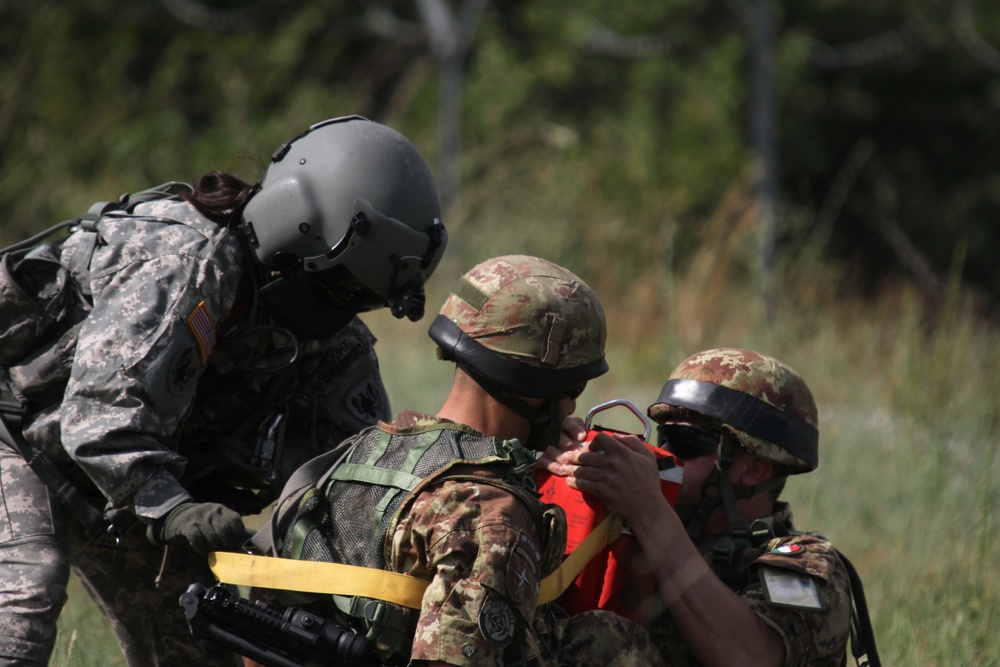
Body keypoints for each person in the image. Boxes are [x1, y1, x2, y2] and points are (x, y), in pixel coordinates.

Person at [0, 115, 447, 666]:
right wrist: (171, 508)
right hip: (17, 433)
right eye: (336, 283)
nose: (339, 307)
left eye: (360, 296)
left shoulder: (332, 342)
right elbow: (101, 415)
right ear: (292, 227)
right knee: (24, 598)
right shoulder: (183, 261)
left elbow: (363, 470)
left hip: (115, 484)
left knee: (203, 638)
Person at [243, 254, 662, 666]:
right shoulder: (488, 513)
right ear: (543, 386)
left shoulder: (358, 453)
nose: (573, 407)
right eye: (575, 387)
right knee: (610, 642)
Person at [551, 348, 857, 667]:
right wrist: (542, 462)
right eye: (663, 435)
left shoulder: (808, 566)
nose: (665, 453)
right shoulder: (635, 530)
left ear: (753, 469)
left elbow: (752, 658)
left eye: (686, 440)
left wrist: (650, 513)